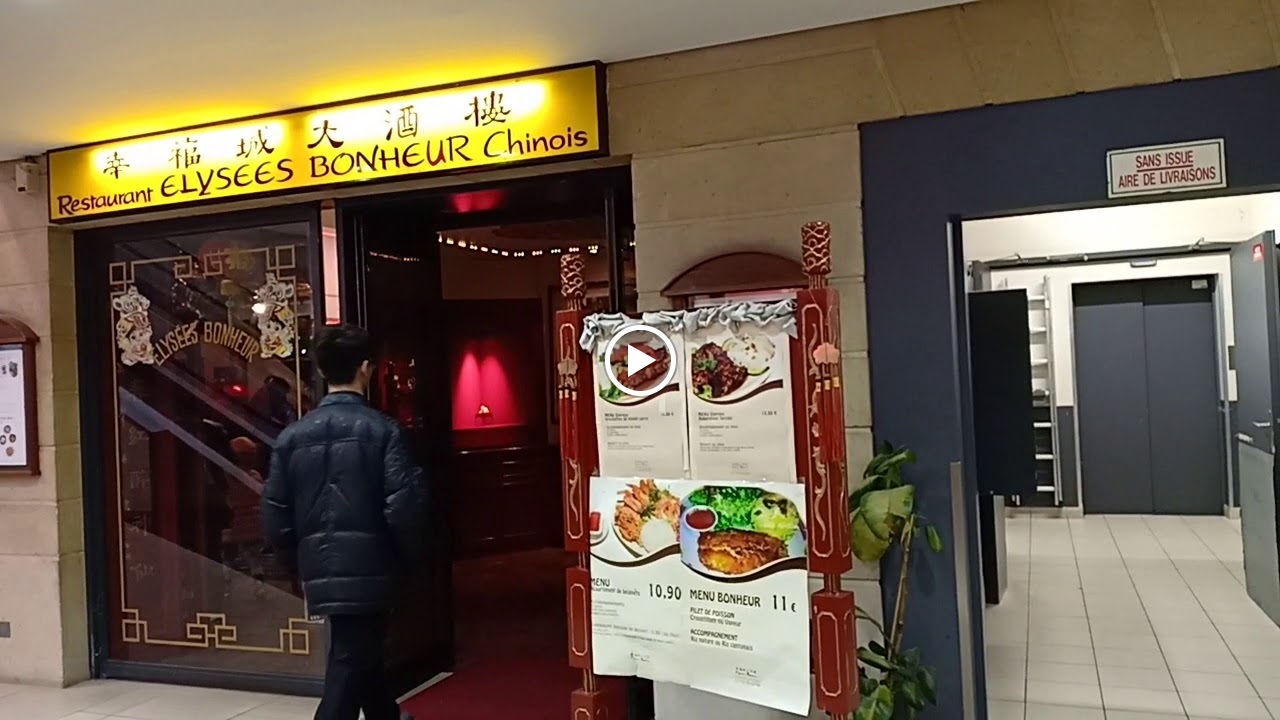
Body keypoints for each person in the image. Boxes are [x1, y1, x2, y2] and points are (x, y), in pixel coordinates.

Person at [262, 324, 426, 720]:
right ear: (366, 369)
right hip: (372, 567)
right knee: (350, 663)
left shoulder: (291, 438)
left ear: (321, 371)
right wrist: (409, 562)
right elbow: (404, 508)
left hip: (319, 565)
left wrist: (299, 564)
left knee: (361, 655)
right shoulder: (383, 431)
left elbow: (275, 514)